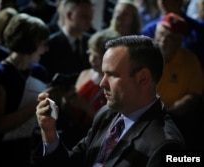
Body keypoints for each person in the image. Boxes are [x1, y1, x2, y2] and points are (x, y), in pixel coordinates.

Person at [33, 35, 186, 166]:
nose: (102, 83)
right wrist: (49, 132)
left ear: (143, 78)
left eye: (112, 75)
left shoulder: (165, 144)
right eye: (103, 74)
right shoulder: (106, 114)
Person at [0, 13, 50, 167]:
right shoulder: (0, 74)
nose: (45, 49)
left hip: (31, 148)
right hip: (4, 153)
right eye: (42, 43)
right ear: (30, 43)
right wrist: (36, 105)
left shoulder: (39, 71)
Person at [59, 29, 120, 148]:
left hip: (95, 140)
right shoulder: (84, 74)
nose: (92, 59)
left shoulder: (115, 84)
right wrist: (66, 103)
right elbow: (71, 113)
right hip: (72, 135)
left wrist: (86, 107)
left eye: (97, 56)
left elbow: (111, 123)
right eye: (90, 53)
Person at [155, 13, 204, 150]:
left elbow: (193, 97)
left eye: (170, 37)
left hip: (174, 121)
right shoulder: (143, 55)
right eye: (161, 34)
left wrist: (167, 114)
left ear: (180, 41)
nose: (163, 40)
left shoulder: (190, 61)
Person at [39, 0, 93, 81]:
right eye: (84, 17)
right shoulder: (50, 44)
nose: (89, 22)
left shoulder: (91, 42)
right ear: (69, 15)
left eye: (91, 17)